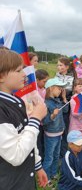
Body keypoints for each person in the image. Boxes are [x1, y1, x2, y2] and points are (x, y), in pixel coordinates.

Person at [0, 48, 48, 189]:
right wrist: (35, 119)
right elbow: (15, 155)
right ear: (1, 76)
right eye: (19, 70)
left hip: (23, 180)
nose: (24, 74)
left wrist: (37, 165)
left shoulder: (16, 100)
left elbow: (24, 135)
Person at [42, 78, 68, 188]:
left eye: (62, 88)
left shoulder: (58, 100)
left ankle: (53, 174)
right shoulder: (46, 104)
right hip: (51, 135)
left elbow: (66, 111)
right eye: (59, 88)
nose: (61, 90)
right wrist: (52, 115)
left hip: (59, 133)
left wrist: (64, 98)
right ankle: (45, 178)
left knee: (56, 155)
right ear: (51, 88)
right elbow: (44, 122)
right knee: (49, 157)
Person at [56, 56, 76, 158]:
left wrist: (63, 94)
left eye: (61, 65)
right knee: (57, 129)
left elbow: (70, 91)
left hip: (66, 105)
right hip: (57, 104)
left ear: (67, 67)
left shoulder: (71, 77)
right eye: (58, 65)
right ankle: (57, 152)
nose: (59, 67)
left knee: (65, 129)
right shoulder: (56, 77)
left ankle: (63, 154)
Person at [35, 69, 49, 160]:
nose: (45, 83)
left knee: (42, 142)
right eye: (44, 81)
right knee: (37, 143)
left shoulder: (43, 89)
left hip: (42, 121)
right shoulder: (34, 91)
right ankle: (38, 161)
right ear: (37, 80)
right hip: (36, 121)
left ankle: (41, 159)